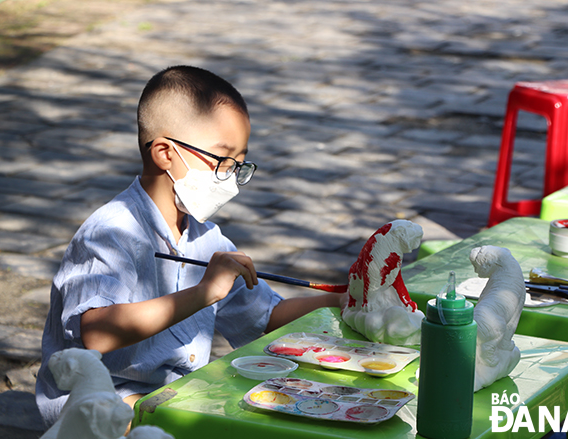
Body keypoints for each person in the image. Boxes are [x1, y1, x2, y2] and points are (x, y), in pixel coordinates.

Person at [35, 65, 344, 427]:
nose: (231, 178)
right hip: (99, 396)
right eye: (223, 160)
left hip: (173, 391)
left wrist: (342, 299)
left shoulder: (205, 237)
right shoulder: (111, 232)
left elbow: (265, 319)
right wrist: (203, 293)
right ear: (165, 153)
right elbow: (97, 332)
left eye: (240, 164)